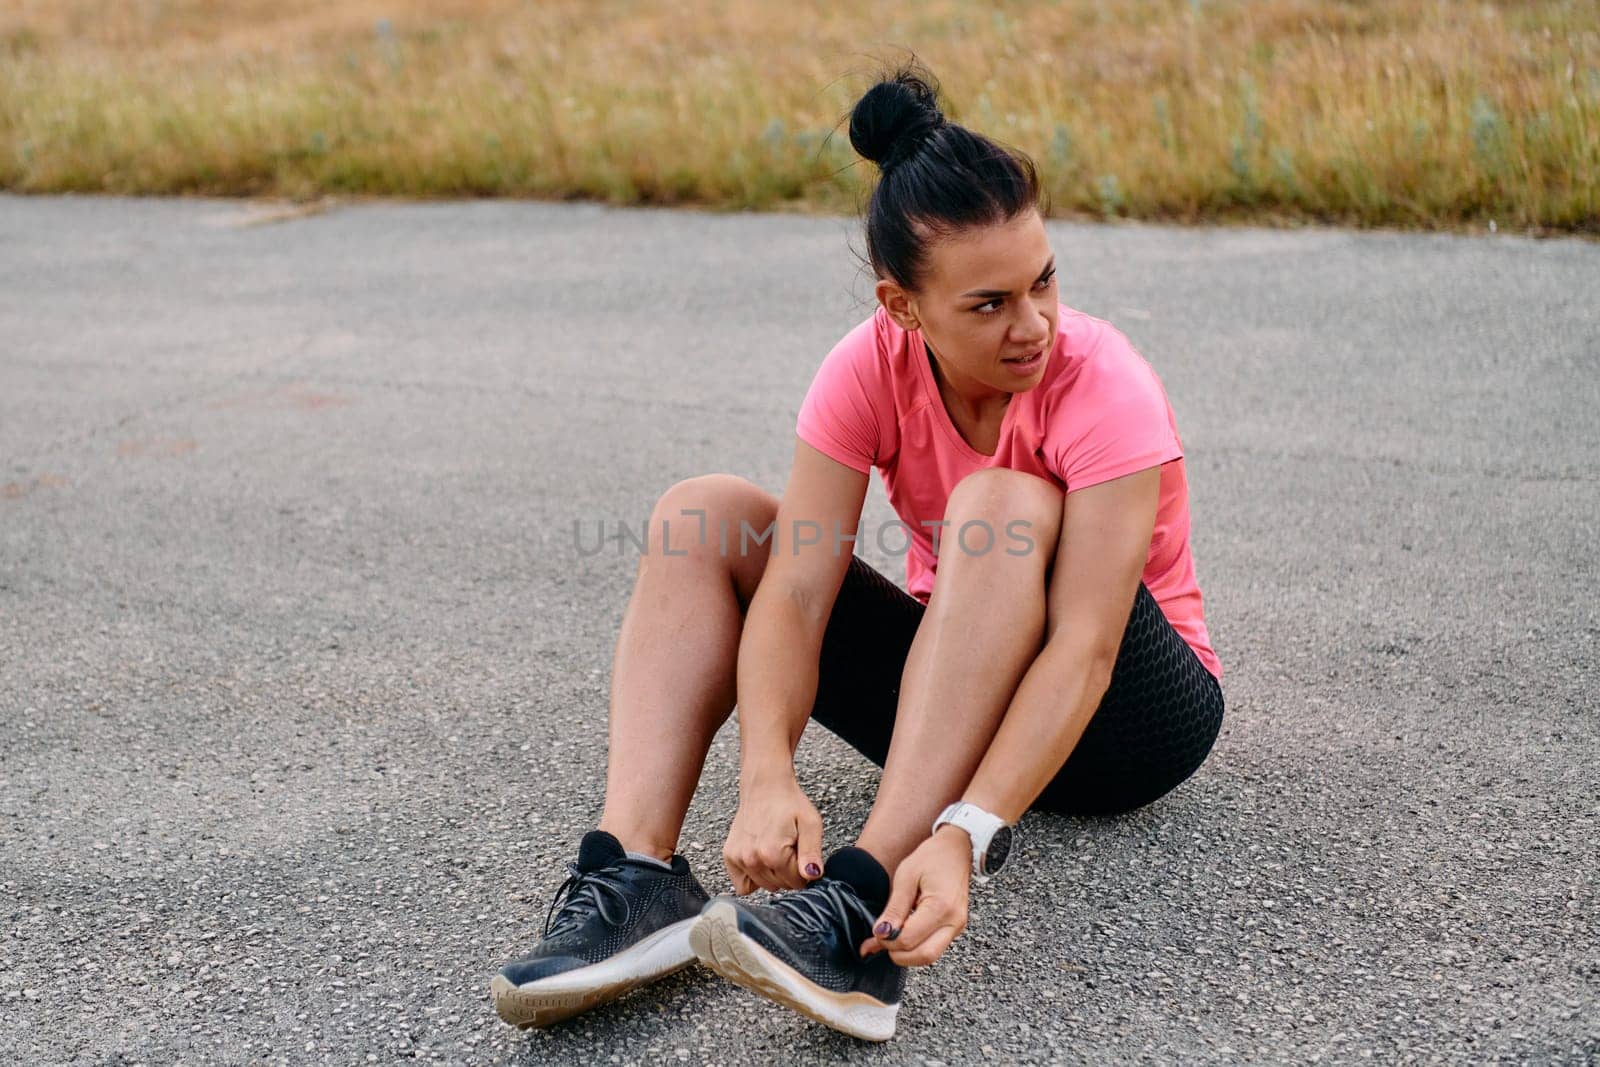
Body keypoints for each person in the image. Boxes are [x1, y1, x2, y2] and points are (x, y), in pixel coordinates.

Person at [488, 58, 1225, 1043]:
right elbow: (794, 593)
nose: (1033, 323)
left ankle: (856, 904)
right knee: (703, 513)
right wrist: (766, 774)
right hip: (962, 681)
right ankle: (635, 874)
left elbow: (1086, 646)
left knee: (997, 501)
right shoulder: (863, 369)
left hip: (1129, 718)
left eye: (1042, 280)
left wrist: (963, 834)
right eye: (988, 303)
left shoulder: (1103, 382)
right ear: (902, 306)